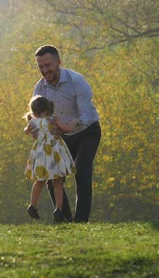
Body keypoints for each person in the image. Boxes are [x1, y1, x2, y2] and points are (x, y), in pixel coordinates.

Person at [30, 45, 101, 223]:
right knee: (53, 175)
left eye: (48, 65)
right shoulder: (40, 89)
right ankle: (64, 218)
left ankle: (81, 220)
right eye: (41, 67)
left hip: (87, 131)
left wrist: (68, 126)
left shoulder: (76, 81)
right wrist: (35, 129)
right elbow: (34, 115)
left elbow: (85, 115)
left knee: (82, 171)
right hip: (61, 135)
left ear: (58, 62)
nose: (45, 70)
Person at [23, 95, 77, 223]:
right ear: (48, 109)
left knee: (40, 181)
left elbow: (26, 131)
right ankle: (58, 209)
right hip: (54, 154)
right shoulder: (53, 120)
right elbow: (67, 129)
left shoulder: (32, 122)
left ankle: (33, 205)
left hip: (41, 155)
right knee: (57, 182)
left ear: (33, 111)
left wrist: (29, 128)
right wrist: (75, 124)